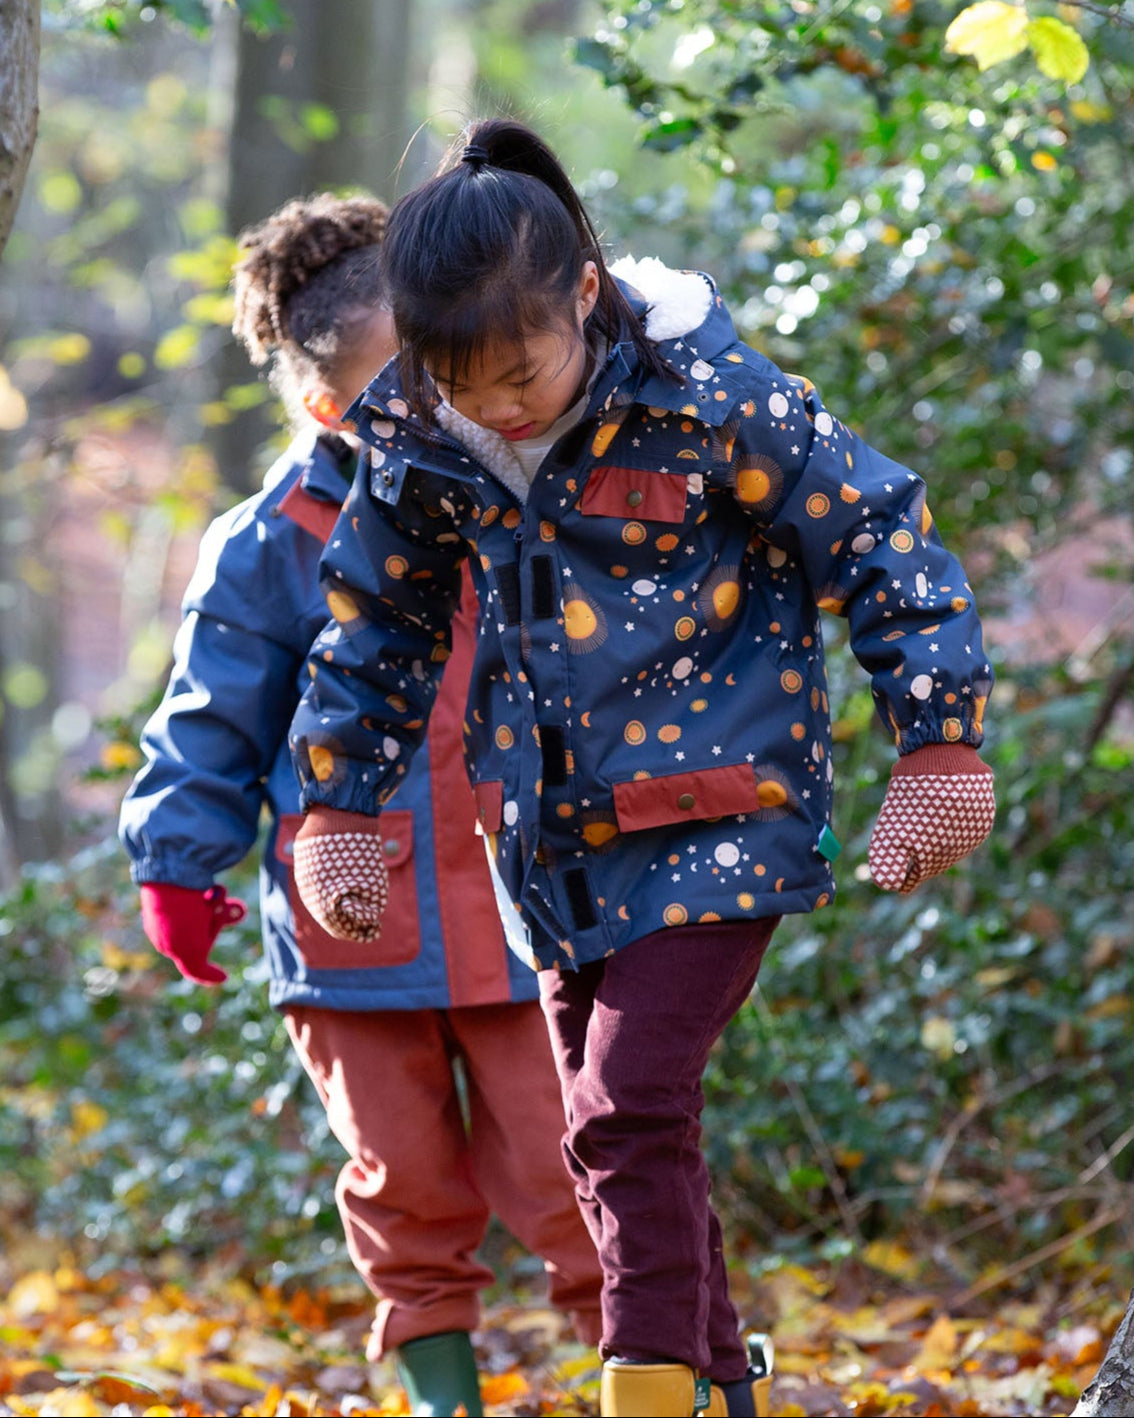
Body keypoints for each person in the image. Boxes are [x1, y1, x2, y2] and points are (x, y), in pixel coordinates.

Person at [286, 122, 996, 1418]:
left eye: (519, 368)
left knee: (624, 1104)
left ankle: (646, 1393)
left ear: (587, 298)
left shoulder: (710, 395)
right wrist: (339, 801)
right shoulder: (417, 437)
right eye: (458, 378)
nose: (494, 403)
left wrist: (935, 737)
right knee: (616, 1129)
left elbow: (876, 528)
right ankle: (719, 1385)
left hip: (728, 813)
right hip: (552, 844)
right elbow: (375, 619)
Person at [117, 190, 603, 1418]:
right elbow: (213, 711)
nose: (446, 401)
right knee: (405, 1186)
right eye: (409, 386)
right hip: (351, 927)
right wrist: (179, 862)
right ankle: (446, 1399)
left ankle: (644, 1379)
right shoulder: (272, 537)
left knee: (576, 1170)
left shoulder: (531, 487)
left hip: (522, 914)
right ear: (329, 407)